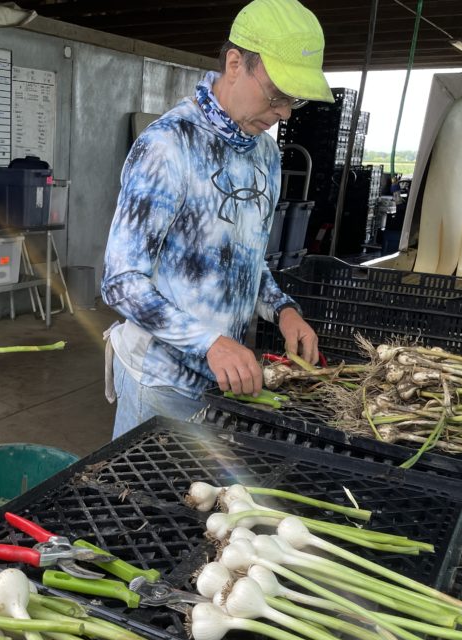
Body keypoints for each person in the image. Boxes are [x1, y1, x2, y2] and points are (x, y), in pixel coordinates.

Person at [101, 0, 327, 438]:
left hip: (225, 382)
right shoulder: (169, 145)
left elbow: (247, 258)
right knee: (144, 501)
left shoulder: (265, 154)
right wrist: (210, 343)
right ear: (236, 63)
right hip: (161, 383)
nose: (285, 113)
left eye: (292, 100)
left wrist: (282, 310)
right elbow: (121, 280)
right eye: (277, 95)